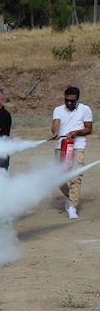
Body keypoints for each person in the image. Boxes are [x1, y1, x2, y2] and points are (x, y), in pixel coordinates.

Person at [51, 86, 93, 219]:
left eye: (72, 101)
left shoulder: (85, 109)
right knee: (59, 178)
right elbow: (55, 124)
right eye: (66, 100)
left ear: (77, 100)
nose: (69, 103)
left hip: (78, 146)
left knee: (76, 175)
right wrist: (55, 132)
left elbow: (89, 129)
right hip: (61, 146)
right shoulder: (58, 110)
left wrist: (77, 132)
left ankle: (72, 206)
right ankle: (69, 196)